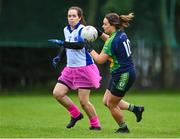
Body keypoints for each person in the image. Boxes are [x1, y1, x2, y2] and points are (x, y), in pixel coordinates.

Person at [85, 12, 144, 133]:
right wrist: (101, 34)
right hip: (119, 73)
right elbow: (110, 40)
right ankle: (136, 109)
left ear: (112, 25)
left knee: (112, 104)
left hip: (124, 75)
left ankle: (123, 128)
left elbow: (100, 60)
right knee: (106, 101)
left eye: (105, 24)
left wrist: (89, 48)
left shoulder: (112, 41)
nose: (103, 26)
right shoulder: (120, 34)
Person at [51, 6, 101, 130]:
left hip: (84, 69)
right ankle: (76, 115)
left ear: (79, 17)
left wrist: (63, 43)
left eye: (74, 16)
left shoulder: (83, 30)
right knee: (57, 93)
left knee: (84, 102)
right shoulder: (66, 29)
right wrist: (59, 56)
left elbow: (79, 45)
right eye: (69, 16)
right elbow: (67, 45)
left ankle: (95, 125)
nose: (71, 18)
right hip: (70, 69)